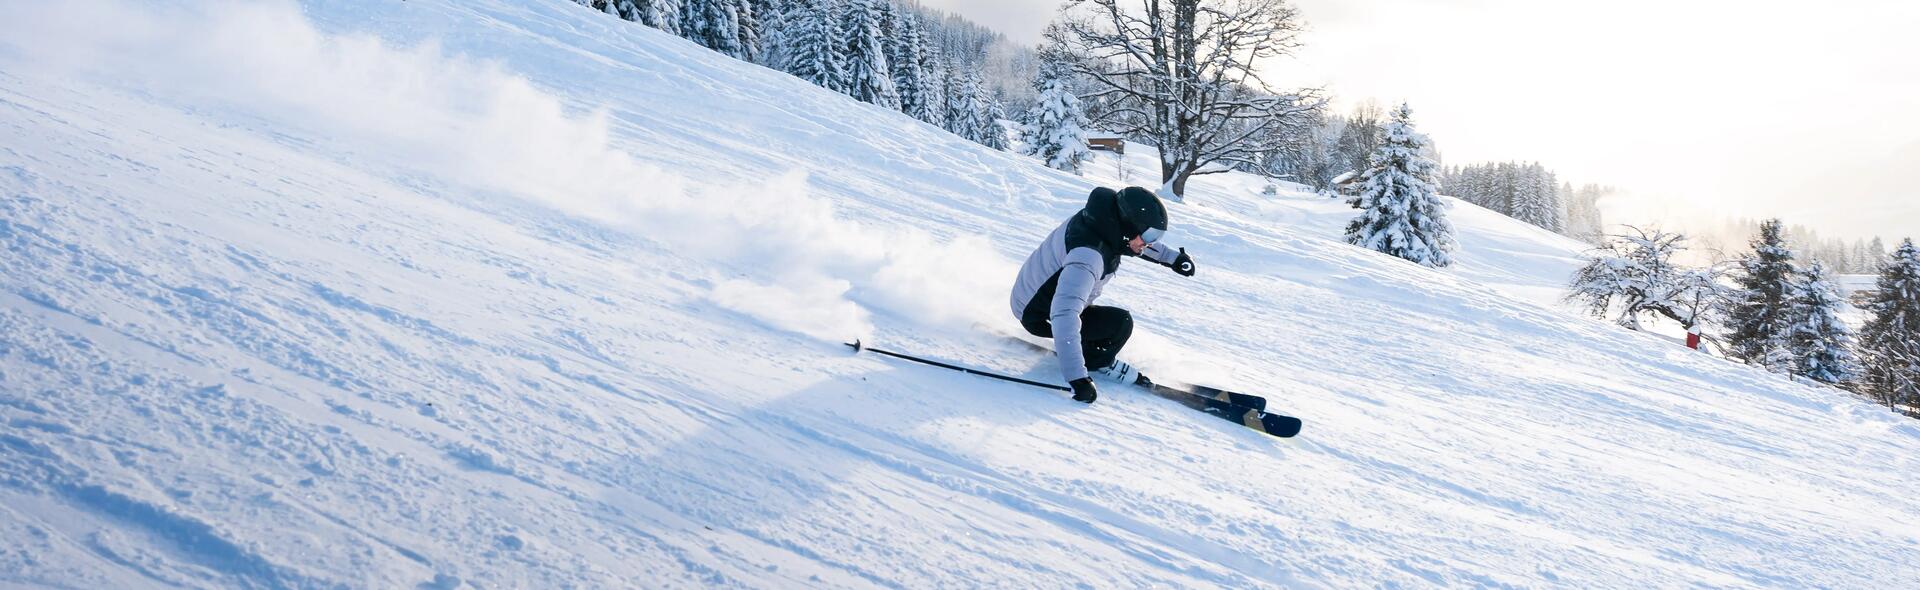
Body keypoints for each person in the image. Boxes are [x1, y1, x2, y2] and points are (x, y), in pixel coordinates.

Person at [1008, 186, 1196, 403]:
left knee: (1107, 321)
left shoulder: (1101, 221)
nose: (1150, 242)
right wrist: (1078, 378)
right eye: (1148, 235)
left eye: (1156, 236)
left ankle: (1088, 350)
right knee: (1119, 324)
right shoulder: (1088, 257)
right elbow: (1064, 314)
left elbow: (1134, 243)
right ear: (1127, 227)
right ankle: (1095, 361)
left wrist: (1172, 258)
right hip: (1037, 314)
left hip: (1031, 296)